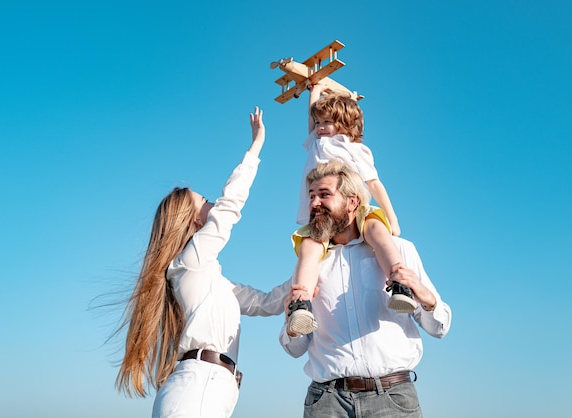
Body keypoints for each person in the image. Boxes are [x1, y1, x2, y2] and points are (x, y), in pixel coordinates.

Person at [115, 107, 289, 418]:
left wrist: (313, 270)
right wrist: (255, 149)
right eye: (204, 201)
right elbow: (228, 210)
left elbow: (266, 303)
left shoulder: (211, 279)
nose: (212, 204)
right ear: (194, 220)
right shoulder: (187, 264)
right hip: (197, 388)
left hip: (211, 389)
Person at [280, 160, 452, 418]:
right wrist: (290, 324)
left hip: (392, 400)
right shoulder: (311, 264)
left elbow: (440, 327)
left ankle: (400, 290)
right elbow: (294, 349)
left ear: (353, 202)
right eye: (312, 196)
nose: (314, 203)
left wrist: (425, 297)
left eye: (324, 195)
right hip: (326, 403)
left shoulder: (400, 250)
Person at [287, 86, 413, 337]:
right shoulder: (315, 142)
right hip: (323, 216)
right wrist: (314, 89)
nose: (320, 127)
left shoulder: (353, 149)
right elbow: (311, 120)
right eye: (319, 122)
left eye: (328, 122)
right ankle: (301, 303)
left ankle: (399, 283)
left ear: (344, 125)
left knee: (377, 233)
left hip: (352, 208)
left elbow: (374, 183)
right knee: (309, 249)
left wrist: (393, 218)